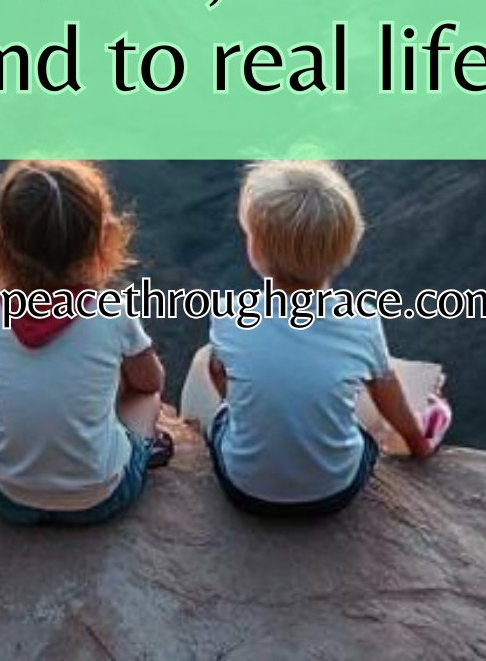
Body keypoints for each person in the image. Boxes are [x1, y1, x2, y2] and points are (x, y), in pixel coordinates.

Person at [189, 158, 449, 516]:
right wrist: (418, 444)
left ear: (257, 252)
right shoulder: (362, 321)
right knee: (376, 383)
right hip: (334, 493)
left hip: (244, 490)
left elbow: (219, 373)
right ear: (347, 247)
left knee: (209, 361)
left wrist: (245, 407)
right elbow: (385, 393)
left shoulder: (230, 316)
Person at [0, 158, 172, 525]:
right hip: (100, 498)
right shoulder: (110, 310)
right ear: (101, 238)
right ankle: (146, 447)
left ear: (1, 239)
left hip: (9, 496)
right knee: (144, 397)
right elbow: (151, 382)